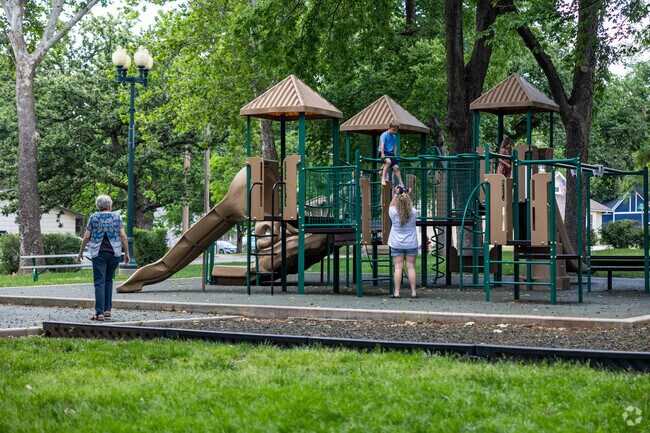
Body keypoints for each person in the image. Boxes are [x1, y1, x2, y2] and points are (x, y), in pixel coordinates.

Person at [77, 195, 130, 321]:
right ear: (110, 206)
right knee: (108, 280)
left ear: (98, 206)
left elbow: (86, 236)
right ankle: (107, 310)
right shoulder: (117, 217)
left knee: (99, 282)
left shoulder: (94, 217)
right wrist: (126, 252)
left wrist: (80, 252)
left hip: (98, 253)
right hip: (114, 253)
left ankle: (99, 313)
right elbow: (123, 235)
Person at [388, 185, 418, 298]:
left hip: (397, 243)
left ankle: (396, 292)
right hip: (411, 243)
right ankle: (414, 292)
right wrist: (407, 195)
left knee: (398, 268)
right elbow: (409, 207)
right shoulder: (414, 212)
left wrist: (396, 194)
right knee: (411, 267)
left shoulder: (393, 212)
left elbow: (391, 205)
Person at [378, 122, 405, 187]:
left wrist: (394, 156)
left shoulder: (394, 137)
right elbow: (382, 144)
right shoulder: (384, 135)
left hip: (390, 153)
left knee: (396, 167)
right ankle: (383, 179)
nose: (394, 132)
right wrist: (382, 153)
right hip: (383, 151)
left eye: (396, 130)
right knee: (388, 162)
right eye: (393, 130)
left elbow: (395, 146)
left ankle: (401, 183)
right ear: (389, 128)